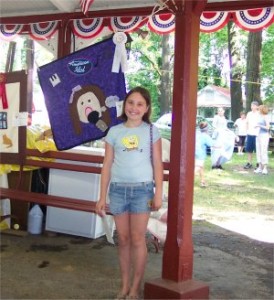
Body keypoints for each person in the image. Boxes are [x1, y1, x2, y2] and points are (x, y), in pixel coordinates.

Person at [95, 86, 163, 300]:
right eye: (131, 103)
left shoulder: (152, 131)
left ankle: (135, 288)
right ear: (125, 105)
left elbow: (158, 165)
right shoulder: (114, 131)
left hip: (142, 191)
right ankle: (124, 286)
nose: (134, 108)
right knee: (122, 239)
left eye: (139, 104)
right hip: (117, 191)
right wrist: (101, 197)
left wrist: (158, 192)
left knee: (137, 239)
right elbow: (106, 165)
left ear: (147, 108)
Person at [195, 122, 213, 187]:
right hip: (200, 154)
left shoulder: (197, 134)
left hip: (194, 153)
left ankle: (203, 181)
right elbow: (212, 144)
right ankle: (187, 178)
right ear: (207, 129)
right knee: (198, 167)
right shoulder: (206, 136)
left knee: (201, 167)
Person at [254, 105, 270, 175]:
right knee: (258, 151)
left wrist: (259, 126)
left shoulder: (266, 117)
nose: (258, 111)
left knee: (263, 151)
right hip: (258, 135)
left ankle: (265, 168)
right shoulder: (259, 117)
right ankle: (260, 167)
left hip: (264, 136)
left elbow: (267, 127)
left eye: (259, 109)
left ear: (262, 110)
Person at [244, 101, 260, 169]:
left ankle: (258, 163)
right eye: (251, 105)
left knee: (258, 150)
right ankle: (249, 163)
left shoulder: (259, 114)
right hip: (250, 134)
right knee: (249, 150)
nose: (252, 107)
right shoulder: (249, 114)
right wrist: (247, 130)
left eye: (253, 105)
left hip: (257, 134)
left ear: (257, 106)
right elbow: (246, 122)